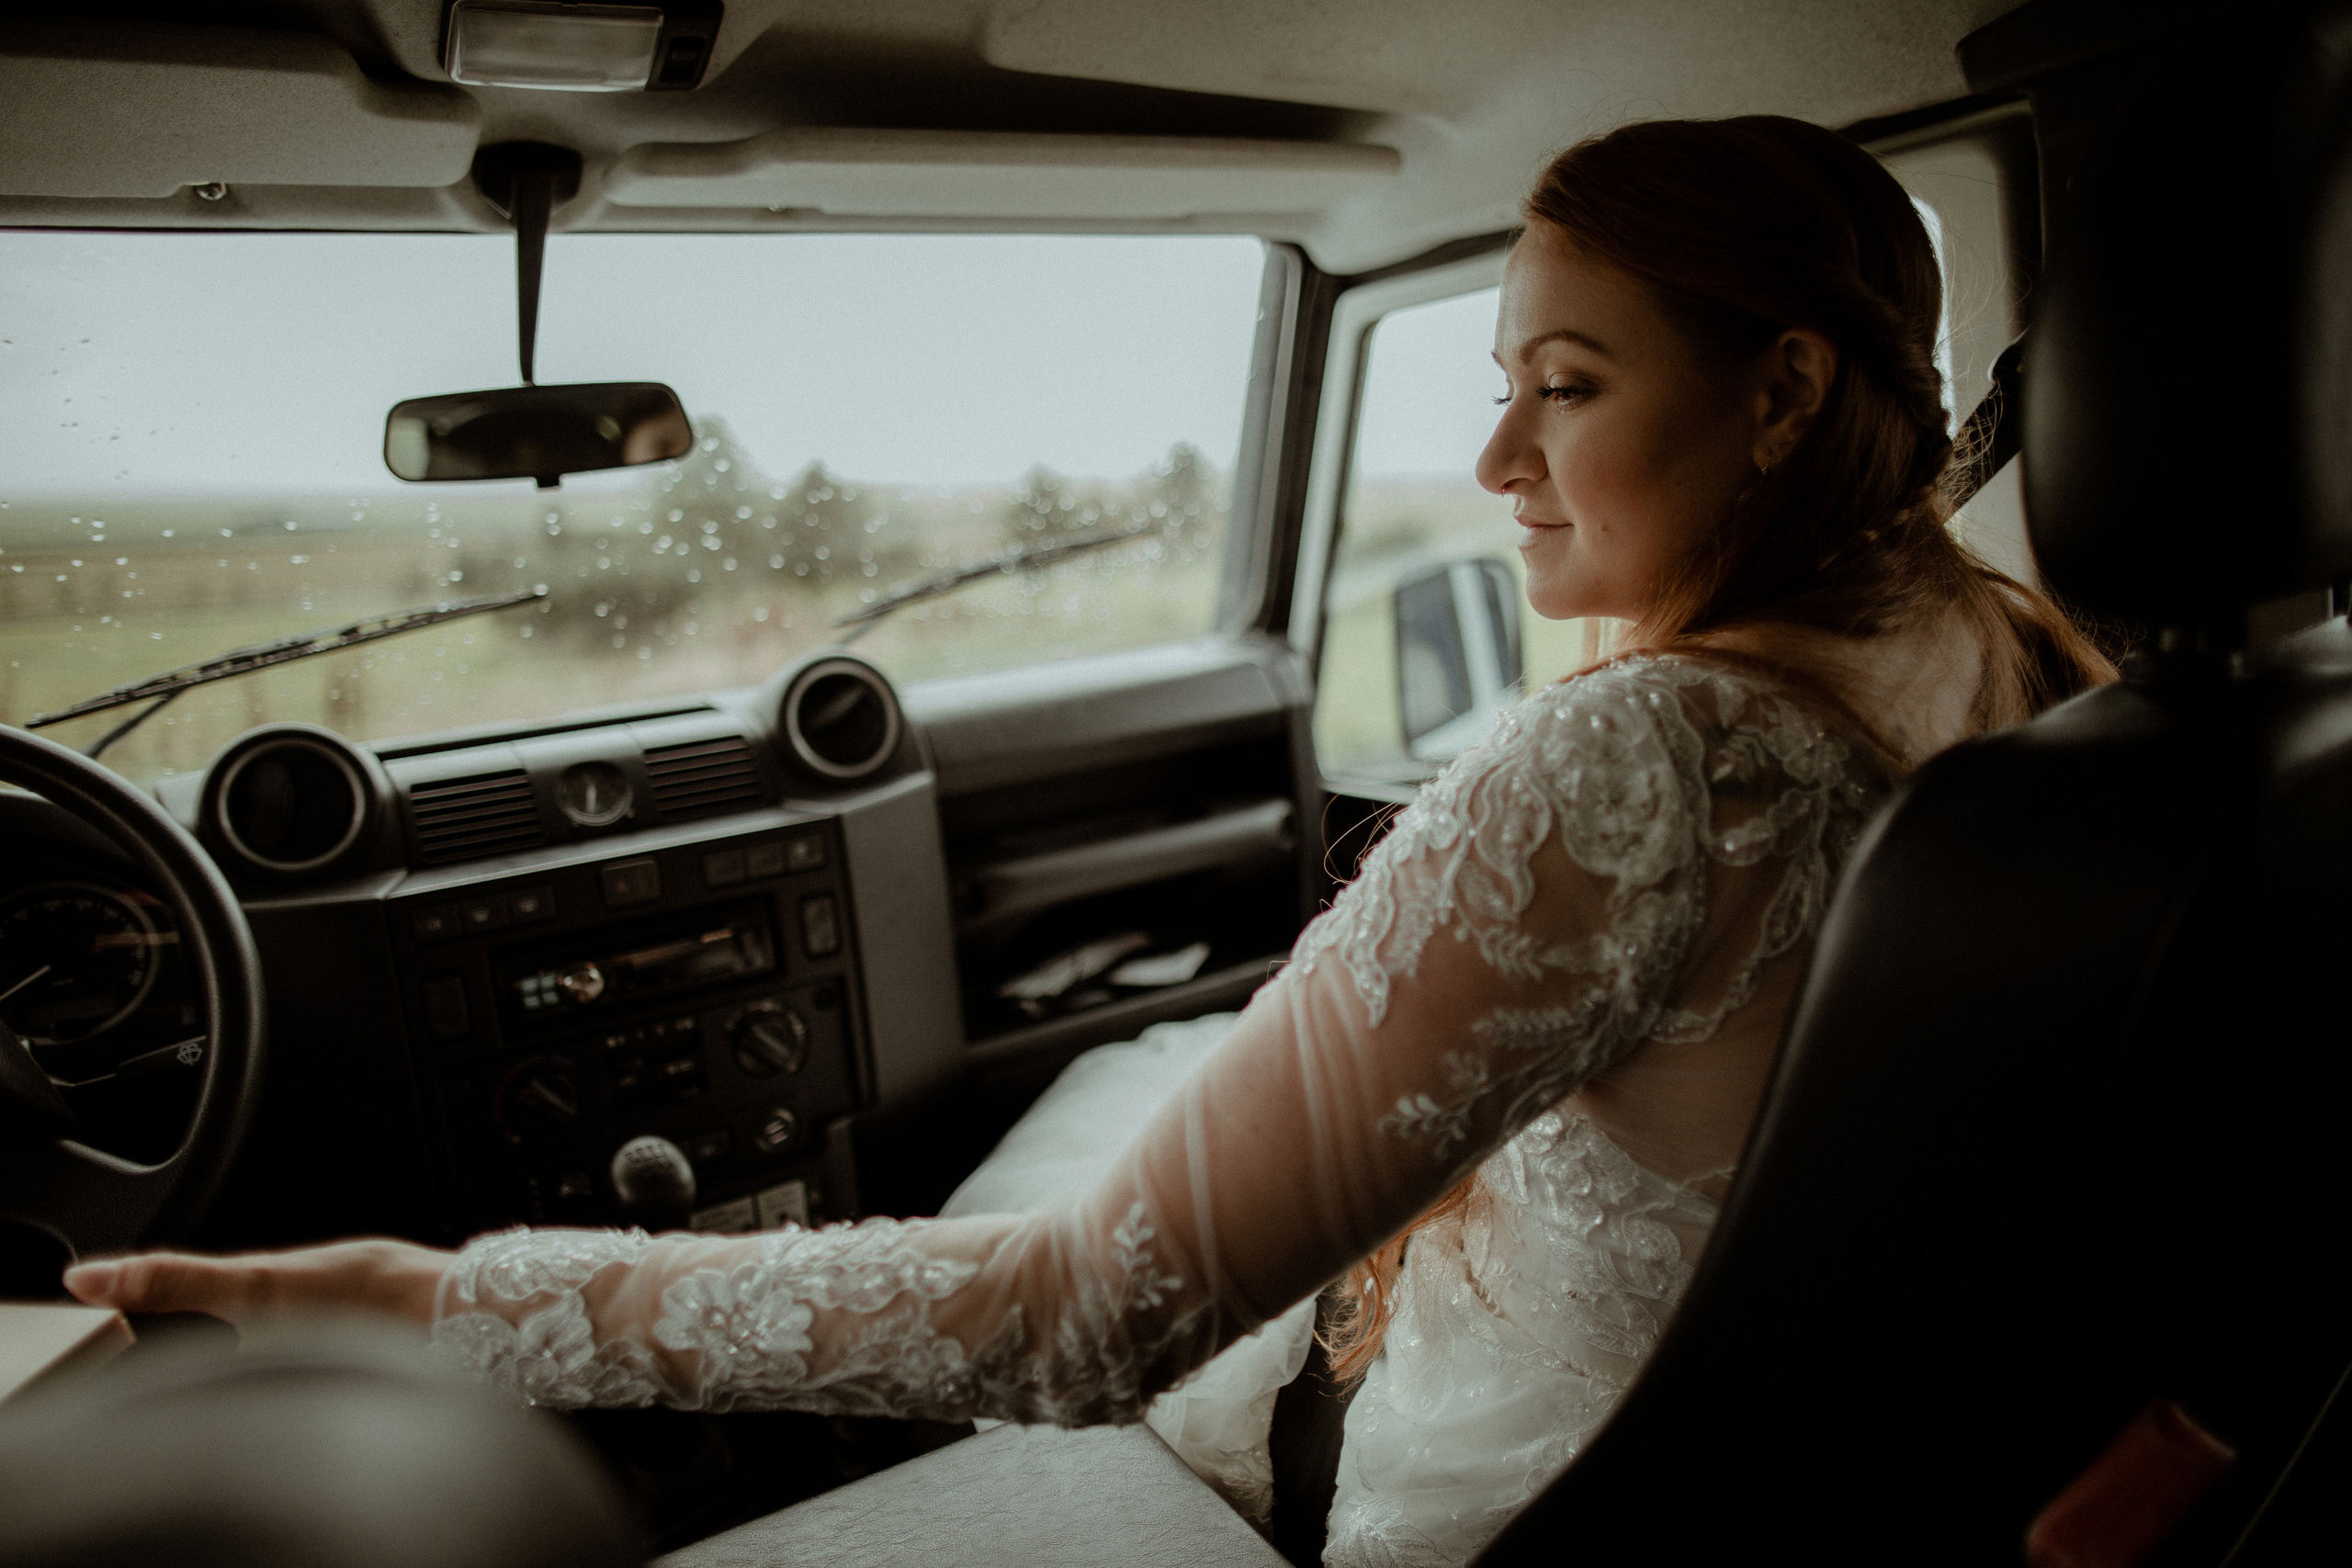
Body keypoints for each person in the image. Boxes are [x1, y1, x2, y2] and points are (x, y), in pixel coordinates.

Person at [65, 117, 2113, 1566]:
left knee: (1074, 1176)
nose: (1491, 459)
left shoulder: (1642, 761)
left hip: (1502, 1490)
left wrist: (433, 1301)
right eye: (1495, 386)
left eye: (1560, 387)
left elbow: (1062, 1321)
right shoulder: (2010, 645)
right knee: (1137, 1070)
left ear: (1777, 395)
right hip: (1785, 1446)